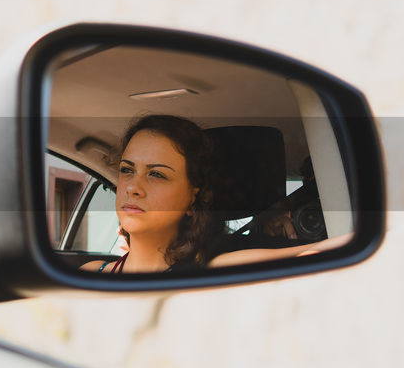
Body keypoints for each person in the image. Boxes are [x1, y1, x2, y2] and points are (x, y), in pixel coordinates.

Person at [79, 115, 350, 273]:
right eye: (127, 170)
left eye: (157, 174)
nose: (132, 187)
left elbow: (332, 250)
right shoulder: (93, 272)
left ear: (192, 198)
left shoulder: (216, 269)